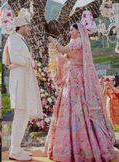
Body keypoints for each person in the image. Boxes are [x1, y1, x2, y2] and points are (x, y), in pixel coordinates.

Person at [45, 23, 117, 162]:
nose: (70, 31)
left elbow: (62, 49)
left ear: (79, 32)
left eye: (72, 29)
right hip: (73, 77)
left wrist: (54, 42)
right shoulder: (76, 42)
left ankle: (78, 148)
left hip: (75, 78)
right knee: (74, 108)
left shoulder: (78, 42)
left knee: (76, 107)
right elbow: (66, 56)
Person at [3, 9, 43, 161]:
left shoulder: (19, 39)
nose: (30, 29)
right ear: (21, 27)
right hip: (20, 83)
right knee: (20, 115)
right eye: (28, 26)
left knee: (24, 115)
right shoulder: (14, 39)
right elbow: (14, 58)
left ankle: (17, 147)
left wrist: (29, 61)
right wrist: (29, 62)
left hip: (24, 81)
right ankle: (14, 150)